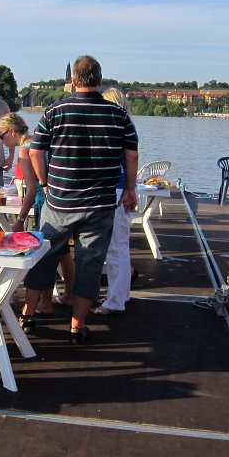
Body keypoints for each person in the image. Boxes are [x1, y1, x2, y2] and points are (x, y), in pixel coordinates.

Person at [20, 55, 138, 344]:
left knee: (42, 259)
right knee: (90, 264)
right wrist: (130, 189)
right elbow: (131, 154)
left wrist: (45, 183)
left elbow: (35, 151)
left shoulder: (55, 111)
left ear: (73, 82)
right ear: (99, 81)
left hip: (59, 202)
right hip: (100, 204)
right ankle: (77, 326)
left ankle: (29, 315)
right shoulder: (118, 115)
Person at [0, 113, 75, 317]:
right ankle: (69, 293)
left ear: (12, 131)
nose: (2, 141)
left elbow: (31, 189)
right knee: (63, 252)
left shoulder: (24, 150)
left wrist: (20, 219)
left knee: (46, 254)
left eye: (1, 135)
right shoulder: (41, 142)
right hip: (61, 200)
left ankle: (46, 302)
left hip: (44, 203)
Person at [91, 87, 135, 315]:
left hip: (113, 192)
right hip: (122, 189)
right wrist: (131, 188)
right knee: (122, 246)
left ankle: (114, 301)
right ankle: (122, 294)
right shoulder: (127, 127)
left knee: (114, 249)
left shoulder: (113, 127)